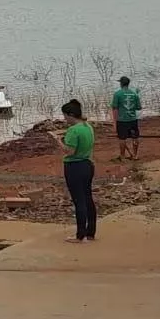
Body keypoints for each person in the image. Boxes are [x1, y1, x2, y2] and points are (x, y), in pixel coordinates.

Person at [59, 99, 97, 243]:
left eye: (65, 116)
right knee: (88, 198)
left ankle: (80, 235)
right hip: (87, 164)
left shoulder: (73, 130)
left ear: (70, 115)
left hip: (74, 167)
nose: (64, 119)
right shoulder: (88, 126)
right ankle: (91, 232)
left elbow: (69, 151)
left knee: (79, 200)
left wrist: (58, 141)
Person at [111, 75, 142, 161]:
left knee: (122, 138)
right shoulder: (134, 94)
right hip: (133, 119)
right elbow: (139, 107)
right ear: (128, 84)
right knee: (135, 137)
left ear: (121, 84)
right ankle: (135, 155)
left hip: (122, 120)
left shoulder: (117, 94)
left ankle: (122, 156)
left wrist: (114, 122)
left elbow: (114, 108)